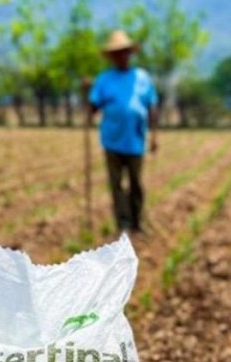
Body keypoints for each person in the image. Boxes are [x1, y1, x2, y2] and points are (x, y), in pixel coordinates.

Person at [85, 30, 159, 234]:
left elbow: (152, 107)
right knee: (116, 185)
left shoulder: (142, 77)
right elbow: (93, 107)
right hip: (112, 140)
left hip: (136, 140)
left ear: (130, 53)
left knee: (136, 184)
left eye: (125, 52)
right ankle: (123, 224)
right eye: (117, 53)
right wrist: (86, 94)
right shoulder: (104, 80)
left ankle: (137, 222)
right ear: (112, 57)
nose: (122, 56)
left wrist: (154, 136)